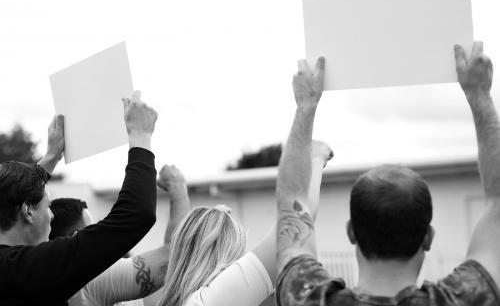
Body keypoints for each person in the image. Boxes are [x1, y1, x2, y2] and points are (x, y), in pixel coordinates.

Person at [276, 43, 500, 306]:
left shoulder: (306, 296)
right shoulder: (466, 299)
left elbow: (293, 203)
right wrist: (479, 94)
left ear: (351, 232)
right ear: (428, 237)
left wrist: (306, 105)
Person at [0, 90, 158, 306]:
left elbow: (8, 194)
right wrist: (140, 137)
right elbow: (136, 215)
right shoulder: (30, 269)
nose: (52, 215)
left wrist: (49, 160)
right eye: (48, 206)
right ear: (27, 211)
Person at [156, 141, 333, 306]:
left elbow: (168, 247)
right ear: (223, 256)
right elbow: (295, 222)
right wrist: (315, 159)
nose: (239, 260)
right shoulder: (212, 300)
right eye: (238, 251)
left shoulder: (160, 296)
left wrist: (177, 188)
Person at [49, 164, 190, 306]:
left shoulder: (42, 277)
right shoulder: (90, 280)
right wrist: (178, 188)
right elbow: (169, 257)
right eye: (90, 231)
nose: (97, 235)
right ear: (75, 237)